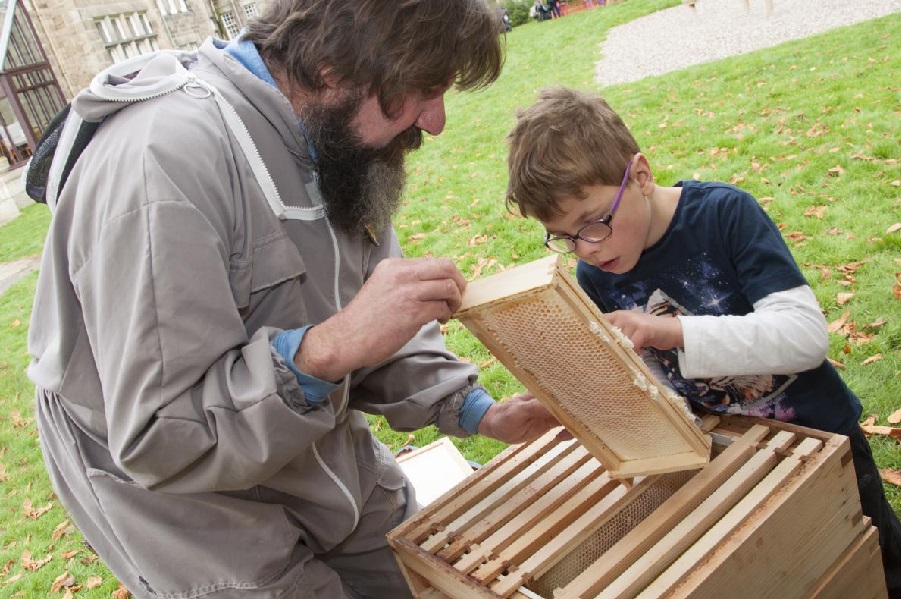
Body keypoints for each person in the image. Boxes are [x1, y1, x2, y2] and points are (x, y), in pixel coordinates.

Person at [26, 1, 561, 597]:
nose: (434, 121)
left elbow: (366, 318)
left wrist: (475, 410)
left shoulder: (335, 137)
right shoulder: (162, 162)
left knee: (424, 577)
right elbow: (162, 432)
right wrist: (326, 349)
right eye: (423, 88)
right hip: (190, 502)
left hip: (317, 450)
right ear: (334, 63)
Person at [504, 86, 901, 598]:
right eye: (564, 236)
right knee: (804, 573)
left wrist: (673, 331)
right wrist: (591, 403)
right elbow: (649, 378)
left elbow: (805, 337)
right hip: (731, 457)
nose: (586, 248)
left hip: (823, 440)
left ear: (640, 176)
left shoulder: (725, 215)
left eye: (594, 222)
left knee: (875, 562)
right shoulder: (596, 274)